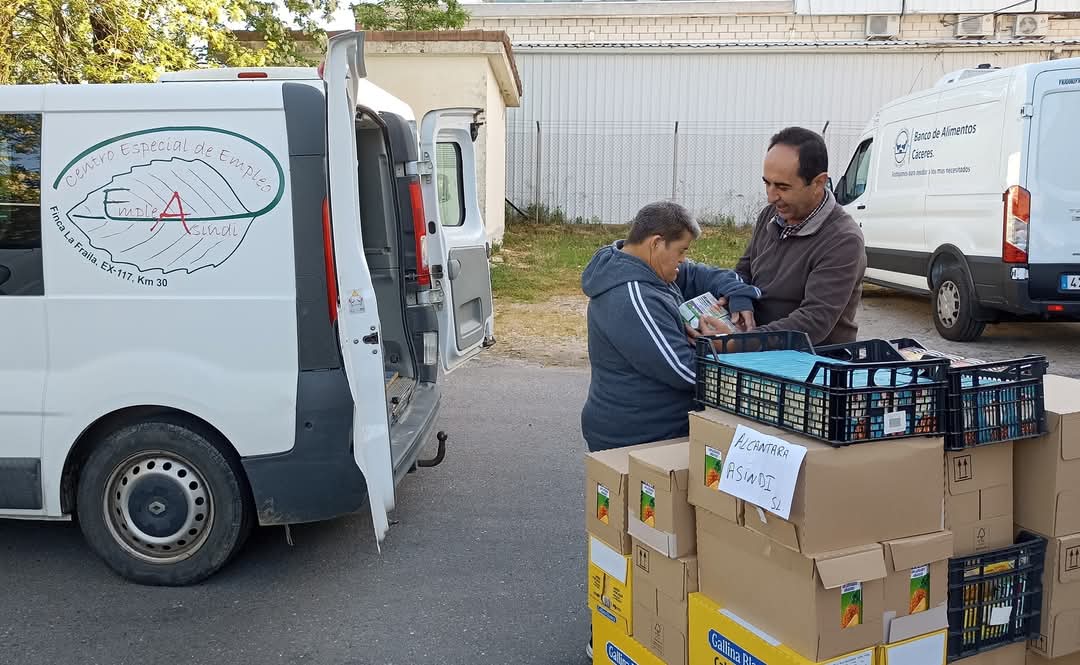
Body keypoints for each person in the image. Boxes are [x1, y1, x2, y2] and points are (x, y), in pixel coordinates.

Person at [579, 200, 760, 454]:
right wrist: (723, 345)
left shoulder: (651, 271)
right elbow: (684, 371)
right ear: (656, 243)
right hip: (639, 437)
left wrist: (738, 293)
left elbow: (702, 274)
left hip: (655, 430)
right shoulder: (634, 297)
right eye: (680, 251)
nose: (683, 261)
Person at [735, 127, 866, 345]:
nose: (771, 197)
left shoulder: (843, 240)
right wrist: (739, 299)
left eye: (783, 187)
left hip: (813, 364)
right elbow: (744, 270)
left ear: (818, 183)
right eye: (767, 183)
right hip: (757, 351)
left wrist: (738, 342)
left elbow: (812, 323)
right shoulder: (770, 215)